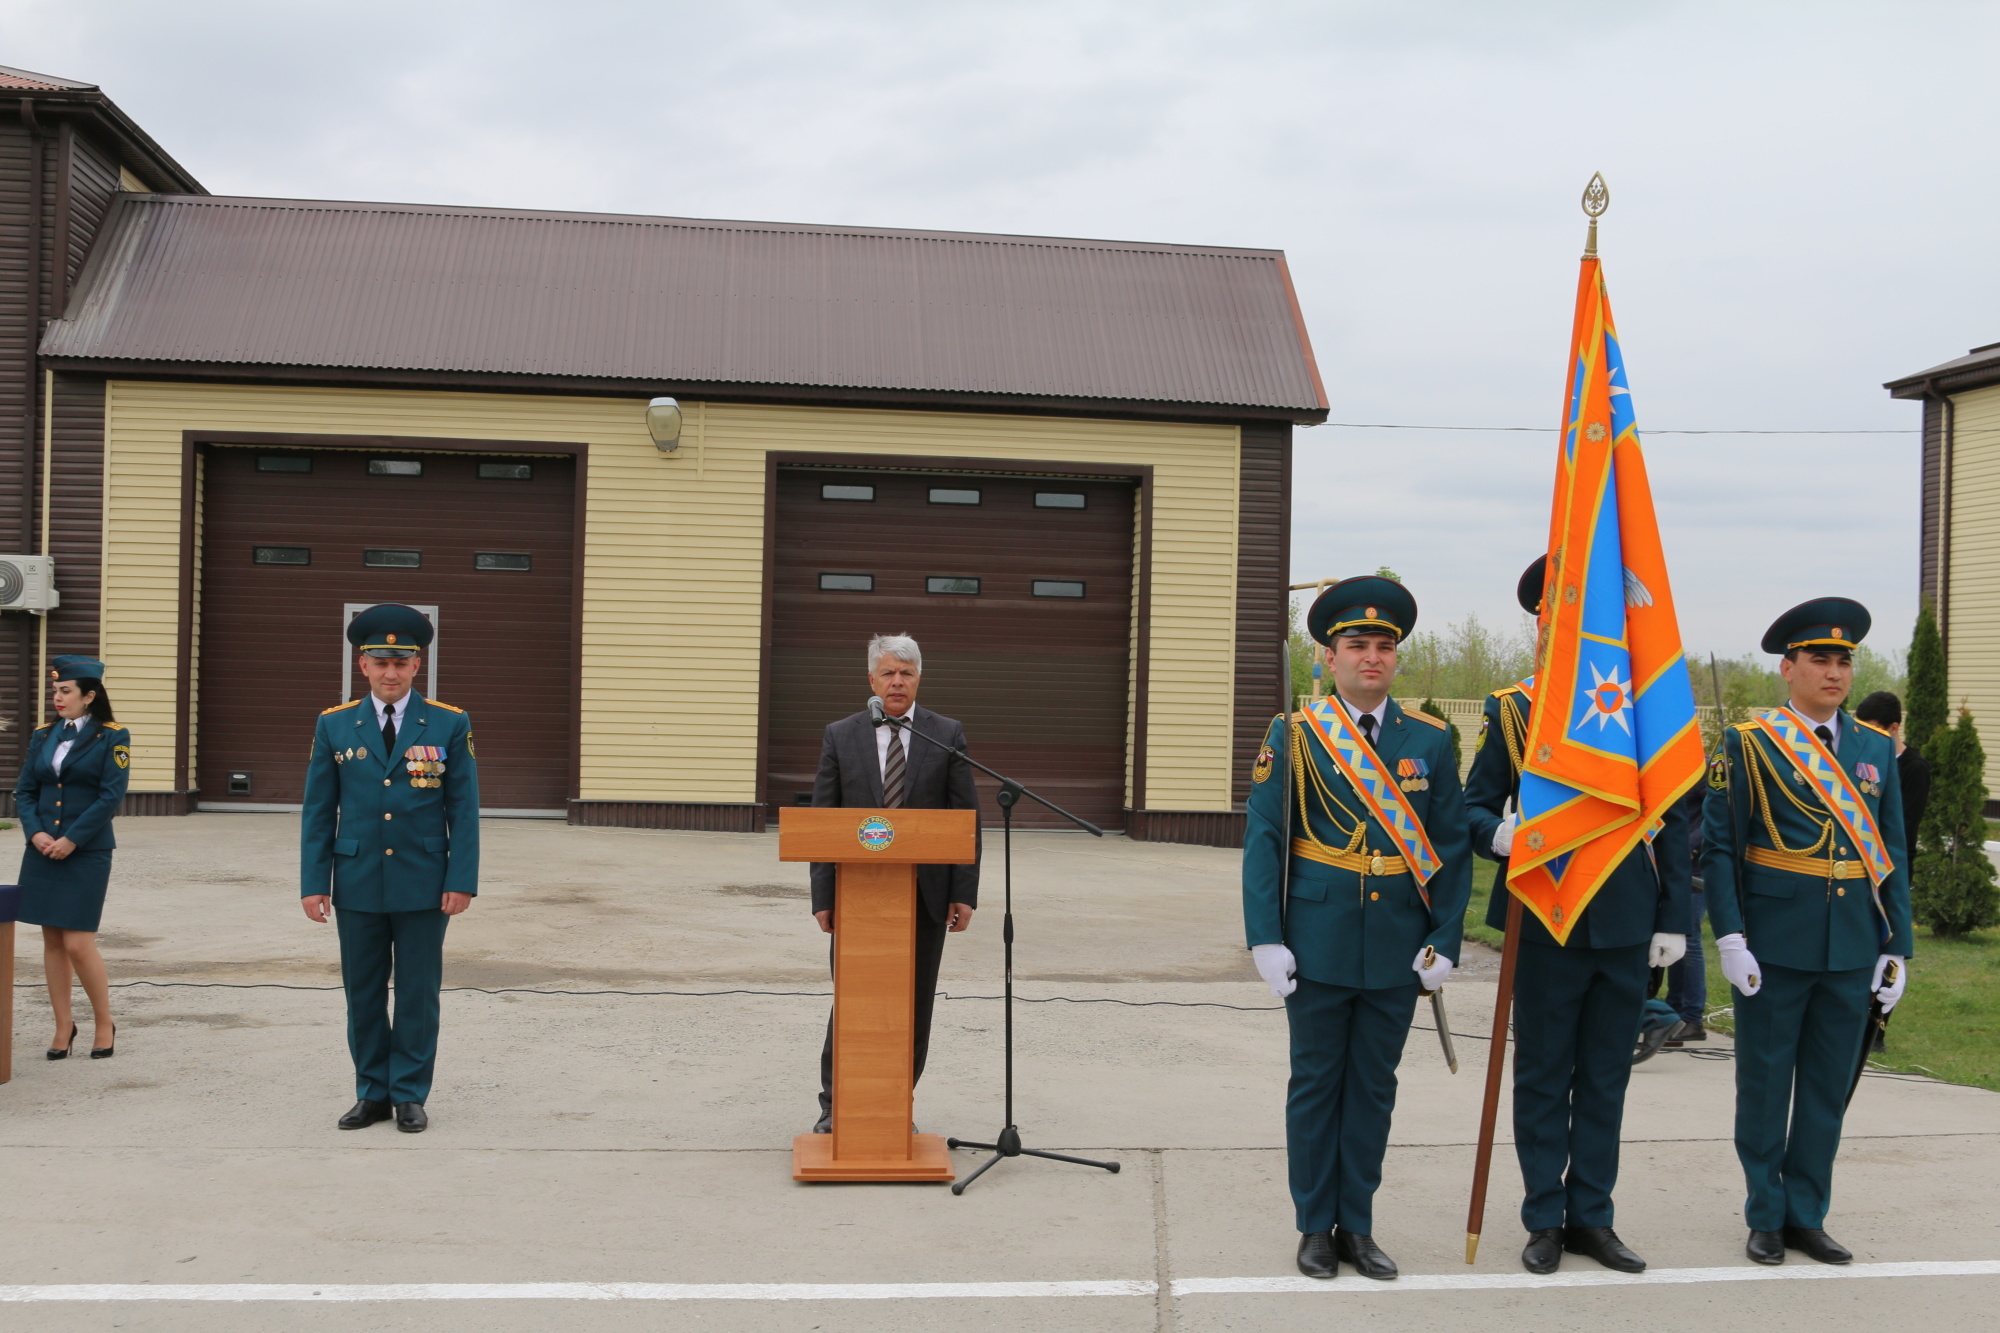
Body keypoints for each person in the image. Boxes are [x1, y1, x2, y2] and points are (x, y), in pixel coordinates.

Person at [1462, 557, 1691, 1275]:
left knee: (1604, 1075)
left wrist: (1674, 917)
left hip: (1626, 919)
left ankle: (1592, 1215)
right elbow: (1471, 806)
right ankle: (1542, 1217)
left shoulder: (1644, 712)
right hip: (1545, 917)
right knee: (1541, 1073)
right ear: (1542, 622)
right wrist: (1498, 835)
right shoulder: (1514, 710)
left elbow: (1677, 821)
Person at [1241, 575, 1471, 1281]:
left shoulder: (1430, 740)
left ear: (1395, 658)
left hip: (1397, 947)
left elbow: (1452, 845)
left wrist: (1447, 938)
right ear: (1330, 657)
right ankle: (1315, 1226)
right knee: (1315, 1085)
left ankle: (1358, 1225)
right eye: (1355, 644)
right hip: (1317, 940)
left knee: (1373, 1088)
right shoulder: (1297, 733)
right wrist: (1265, 935)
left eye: (1382, 646)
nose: (1370, 656)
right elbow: (1265, 840)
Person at [1702, 599, 1913, 1266]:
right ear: (1787, 668)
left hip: (1851, 944)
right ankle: (1765, 1212)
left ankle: (1807, 1213)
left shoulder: (1876, 748)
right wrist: (1730, 936)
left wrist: (1897, 946)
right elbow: (1719, 848)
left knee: (1827, 1086)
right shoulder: (1746, 741)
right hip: (1774, 943)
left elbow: (1894, 852)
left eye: (1843, 660)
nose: (1834, 671)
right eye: (1819, 658)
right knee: (1765, 1084)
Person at [301, 604, 479, 1134]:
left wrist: (460, 879)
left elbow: (462, 810)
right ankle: (371, 1093)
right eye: (380, 662)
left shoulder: (448, 722)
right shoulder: (335, 725)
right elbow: (317, 810)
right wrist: (314, 883)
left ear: (417, 665)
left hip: (425, 881)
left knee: (419, 993)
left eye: (401, 662)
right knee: (364, 992)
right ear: (362, 666)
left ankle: (409, 1094)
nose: (390, 673)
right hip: (355, 881)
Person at [809, 633, 979, 1133]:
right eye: (888, 673)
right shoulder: (841, 735)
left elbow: (965, 815)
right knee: (855, 1005)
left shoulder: (944, 734)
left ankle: (894, 1104)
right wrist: (823, 896)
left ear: (918, 678)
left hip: (925, 898)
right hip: (858, 898)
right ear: (871, 680)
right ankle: (835, 1108)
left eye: (906, 673)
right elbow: (824, 821)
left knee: (914, 1005)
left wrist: (963, 892)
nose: (897, 682)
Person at [14, 655, 131, 1061]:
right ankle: (64, 1025)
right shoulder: (44, 734)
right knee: (51, 941)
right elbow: (25, 791)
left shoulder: (113, 736)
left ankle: (104, 1022)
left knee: (79, 943)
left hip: (86, 851)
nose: (57, 697)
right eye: (55, 691)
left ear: (89, 695)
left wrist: (72, 840)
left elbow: (110, 796)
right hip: (43, 850)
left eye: (66, 691)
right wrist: (38, 832)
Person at [1853, 691, 1930, 869]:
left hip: (1892, 862)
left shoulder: (1914, 768)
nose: (1866, 736)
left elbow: (1905, 827)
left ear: (1893, 728)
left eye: (1873, 729)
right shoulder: (1863, 760)